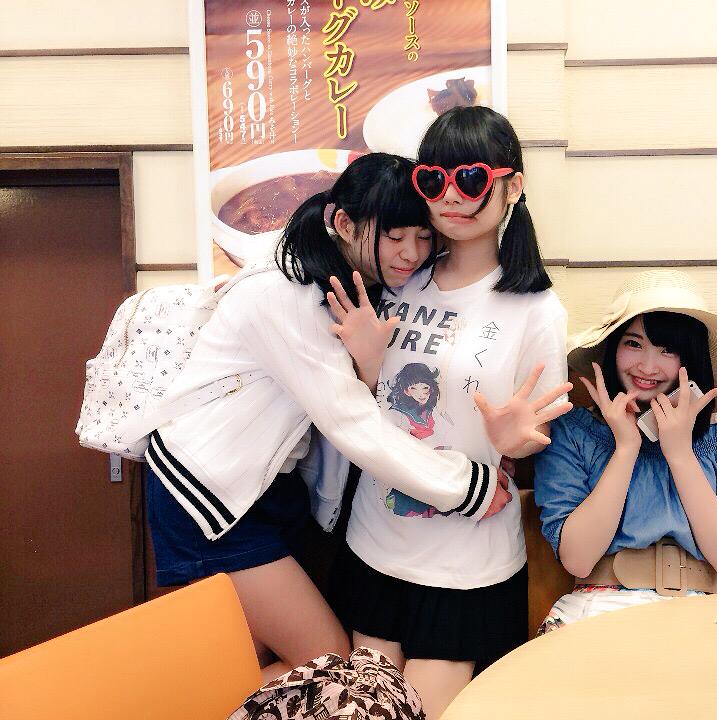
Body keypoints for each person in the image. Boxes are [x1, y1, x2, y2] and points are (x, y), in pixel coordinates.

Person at [142, 153, 531, 683]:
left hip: (265, 492)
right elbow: (350, 423)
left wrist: (369, 366)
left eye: (424, 237)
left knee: (248, 665)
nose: (412, 253)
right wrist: (469, 487)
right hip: (208, 493)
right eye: (395, 236)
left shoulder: (345, 285)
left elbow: (347, 405)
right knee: (329, 669)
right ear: (343, 223)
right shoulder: (284, 295)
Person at [328, 106, 572, 719]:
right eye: (433, 180)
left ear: (512, 186)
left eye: (471, 179)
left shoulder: (536, 309)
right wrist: (366, 366)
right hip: (375, 540)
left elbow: (533, 435)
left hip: (466, 563)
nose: (451, 198)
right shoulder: (401, 278)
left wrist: (515, 440)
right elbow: (370, 404)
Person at [534, 269, 717, 633]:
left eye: (667, 350)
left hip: (696, 615)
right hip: (594, 608)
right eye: (634, 343)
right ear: (613, 347)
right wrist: (626, 449)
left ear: (691, 358)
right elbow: (578, 560)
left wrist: (680, 454)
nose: (647, 366)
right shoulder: (574, 432)